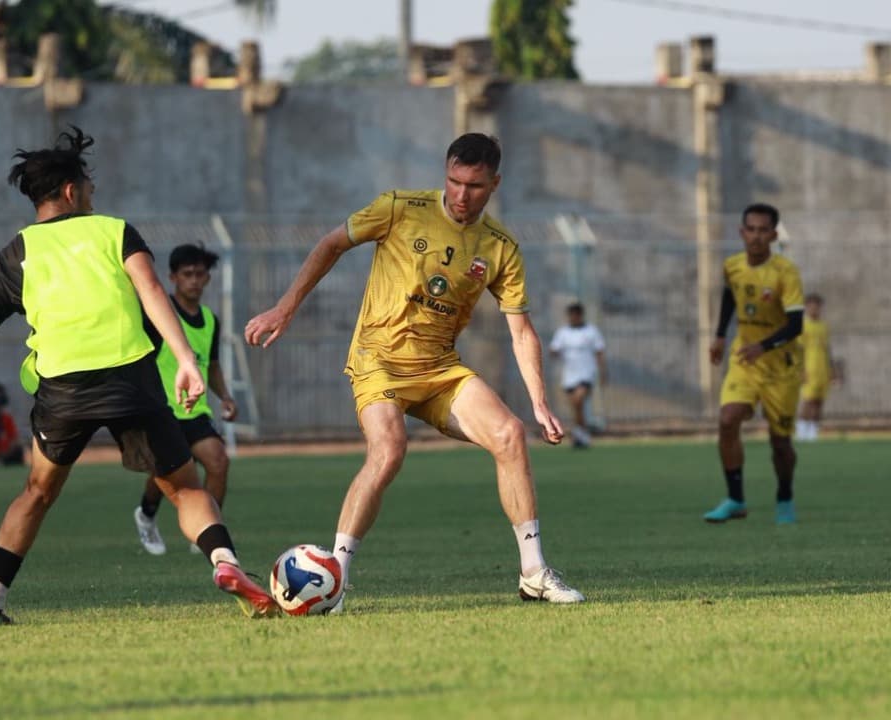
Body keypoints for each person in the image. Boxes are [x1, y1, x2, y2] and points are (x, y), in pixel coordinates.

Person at [0, 127, 277, 627]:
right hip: (132, 381)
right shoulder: (114, 231)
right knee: (186, 489)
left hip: (62, 391)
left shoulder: (14, 256)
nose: (94, 198)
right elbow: (152, 293)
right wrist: (186, 359)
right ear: (72, 192)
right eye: (91, 190)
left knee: (36, 492)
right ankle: (225, 562)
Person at [245, 133, 585, 608]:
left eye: (474, 185)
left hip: (439, 368)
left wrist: (540, 402)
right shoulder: (399, 208)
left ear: (495, 184)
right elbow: (331, 244)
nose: (461, 194)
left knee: (509, 433)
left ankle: (534, 574)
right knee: (389, 450)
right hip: (378, 359)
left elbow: (522, 331)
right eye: (454, 180)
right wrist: (285, 307)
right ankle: (335, 579)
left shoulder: (500, 247)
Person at [133, 244, 237, 556]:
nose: (194, 280)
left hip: (196, 410)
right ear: (173, 278)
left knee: (219, 462)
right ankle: (146, 514)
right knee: (168, 472)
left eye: (200, 274)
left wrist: (226, 397)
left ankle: (204, 532)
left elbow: (213, 364)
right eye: (187, 274)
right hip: (162, 409)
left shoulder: (210, 320)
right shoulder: (159, 314)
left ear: (207, 279)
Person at [705, 203, 804, 525]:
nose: (757, 236)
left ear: (774, 235)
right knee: (728, 418)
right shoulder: (732, 265)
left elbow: (795, 324)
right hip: (745, 359)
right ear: (742, 232)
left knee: (781, 444)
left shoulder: (785, 273)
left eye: (764, 230)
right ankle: (736, 499)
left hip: (780, 366)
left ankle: (785, 494)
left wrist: (763, 346)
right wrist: (720, 335)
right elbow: (731, 296)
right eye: (752, 229)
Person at [549, 302, 606, 448]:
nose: (572, 318)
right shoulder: (563, 333)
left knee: (578, 401)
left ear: (580, 315)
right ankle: (581, 433)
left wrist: (603, 371)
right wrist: (553, 353)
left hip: (586, 373)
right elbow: (554, 349)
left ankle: (581, 433)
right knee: (575, 406)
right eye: (570, 316)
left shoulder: (591, 331)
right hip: (569, 375)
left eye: (575, 315)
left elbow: (599, 352)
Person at [796, 293, 840, 442]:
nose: (815, 309)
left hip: (823, 370)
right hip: (809, 369)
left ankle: (813, 433)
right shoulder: (802, 326)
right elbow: (799, 350)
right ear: (806, 307)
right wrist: (800, 369)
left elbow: (828, 349)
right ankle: (802, 432)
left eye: (817, 306)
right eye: (811, 306)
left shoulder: (823, 326)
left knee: (819, 402)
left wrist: (833, 370)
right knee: (808, 401)